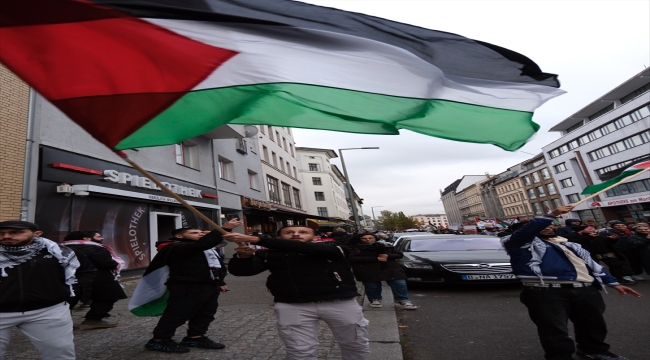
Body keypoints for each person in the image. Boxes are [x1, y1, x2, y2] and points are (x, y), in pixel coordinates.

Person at [501, 207, 642, 360]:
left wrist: (613, 282)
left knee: (593, 325)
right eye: (543, 225)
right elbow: (525, 233)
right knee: (554, 330)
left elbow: (589, 265)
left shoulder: (570, 245)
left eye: (551, 225)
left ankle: (594, 351)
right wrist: (552, 214)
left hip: (585, 290)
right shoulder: (517, 244)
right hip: (546, 292)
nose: (548, 227)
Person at [224, 226, 370, 360]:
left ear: (314, 236)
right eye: (289, 232)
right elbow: (243, 271)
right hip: (293, 304)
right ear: (279, 237)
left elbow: (305, 248)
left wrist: (258, 239)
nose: (296, 234)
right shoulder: (269, 254)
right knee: (299, 350)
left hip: (340, 302)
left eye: (303, 232)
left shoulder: (333, 247)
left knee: (355, 344)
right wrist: (244, 258)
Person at [144, 220, 239, 353]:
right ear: (179, 236)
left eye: (201, 232)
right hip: (186, 286)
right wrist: (224, 228)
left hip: (209, 285)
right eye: (194, 233)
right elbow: (201, 244)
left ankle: (195, 336)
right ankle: (159, 340)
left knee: (206, 313)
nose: (199, 234)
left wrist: (220, 282)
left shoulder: (204, 248)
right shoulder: (175, 247)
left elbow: (214, 266)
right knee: (178, 313)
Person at [0, 220, 83, 360]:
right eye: (1, 233)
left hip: (47, 311)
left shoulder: (58, 251)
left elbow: (84, 271)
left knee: (60, 354)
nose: (7, 236)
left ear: (36, 234)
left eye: (16, 232)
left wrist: (68, 295)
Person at [62, 230, 127, 329]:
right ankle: (94, 319)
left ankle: (64, 323)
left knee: (68, 300)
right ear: (86, 239)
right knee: (107, 297)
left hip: (67, 279)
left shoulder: (61, 248)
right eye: (98, 237)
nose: (101, 239)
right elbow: (107, 263)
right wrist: (115, 264)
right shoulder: (94, 248)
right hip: (97, 279)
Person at [348, 233, 417, 310]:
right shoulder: (356, 248)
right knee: (372, 286)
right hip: (369, 270)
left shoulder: (385, 245)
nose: (368, 240)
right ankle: (374, 299)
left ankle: (403, 300)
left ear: (375, 238)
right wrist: (376, 259)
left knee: (399, 283)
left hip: (390, 268)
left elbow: (399, 254)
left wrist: (388, 256)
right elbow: (353, 258)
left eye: (370, 238)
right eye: (365, 238)